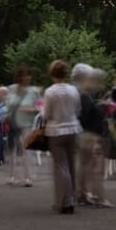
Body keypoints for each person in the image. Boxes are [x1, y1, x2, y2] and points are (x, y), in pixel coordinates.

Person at [42, 60, 81, 214]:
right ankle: (72, 196)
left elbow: (46, 114)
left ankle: (66, 201)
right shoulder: (73, 90)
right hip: (73, 128)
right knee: (71, 164)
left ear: (52, 74)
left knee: (61, 166)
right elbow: (78, 109)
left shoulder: (50, 92)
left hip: (56, 130)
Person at [72, 65, 112, 208]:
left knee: (84, 165)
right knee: (96, 167)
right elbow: (87, 115)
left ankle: (82, 194)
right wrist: (102, 108)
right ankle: (98, 197)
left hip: (86, 134)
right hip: (90, 135)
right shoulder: (82, 95)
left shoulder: (81, 94)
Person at [4, 66, 38, 187]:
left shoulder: (33, 91)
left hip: (26, 123)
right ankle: (12, 176)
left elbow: (40, 106)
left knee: (26, 149)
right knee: (12, 149)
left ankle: (28, 177)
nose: (26, 78)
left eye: (28, 75)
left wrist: (32, 109)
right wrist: (7, 114)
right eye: (24, 75)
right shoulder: (11, 89)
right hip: (13, 122)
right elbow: (7, 105)